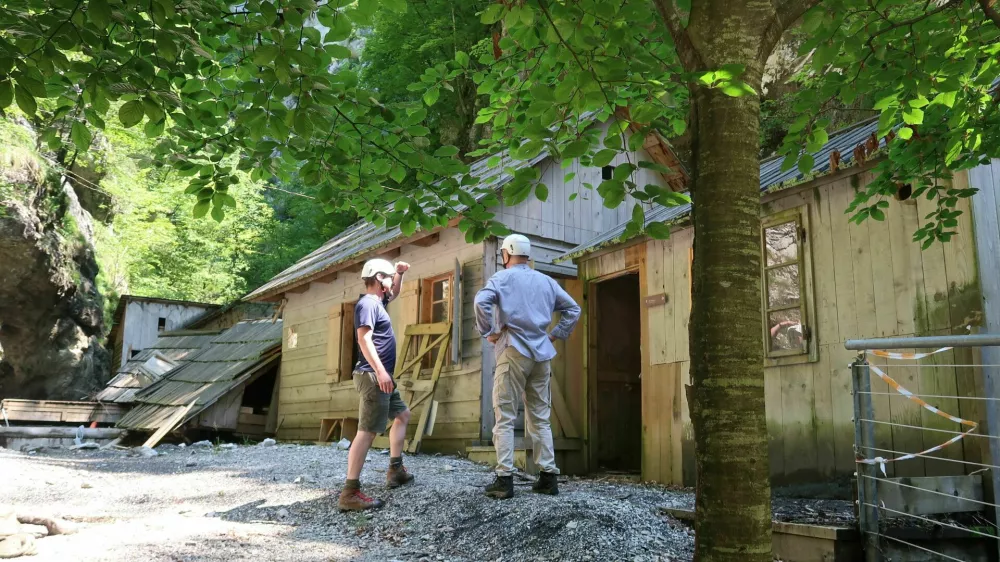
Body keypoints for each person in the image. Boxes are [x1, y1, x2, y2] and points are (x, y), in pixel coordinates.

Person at [474, 233, 581, 499]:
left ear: (506, 254)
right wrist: (555, 334)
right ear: (527, 254)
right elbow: (573, 309)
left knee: (506, 416)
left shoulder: (501, 278)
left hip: (514, 350)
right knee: (540, 417)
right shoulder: (546, 281)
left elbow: (479, 301)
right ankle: (548, 477)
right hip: (541, 354)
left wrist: (488, 330)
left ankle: (504, 479)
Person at [338, 258, 415, 512]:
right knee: (367, 431)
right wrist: (382, 372)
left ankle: (395, 470)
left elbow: (394, 294)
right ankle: (350, 492)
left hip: (382, 377)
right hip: (374, 376)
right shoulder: (367, 303)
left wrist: (400, 275)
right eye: (390, 277)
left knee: (402, 415)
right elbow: (364, 339)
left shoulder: (378, 301)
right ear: (379, 278)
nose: (392, 282)